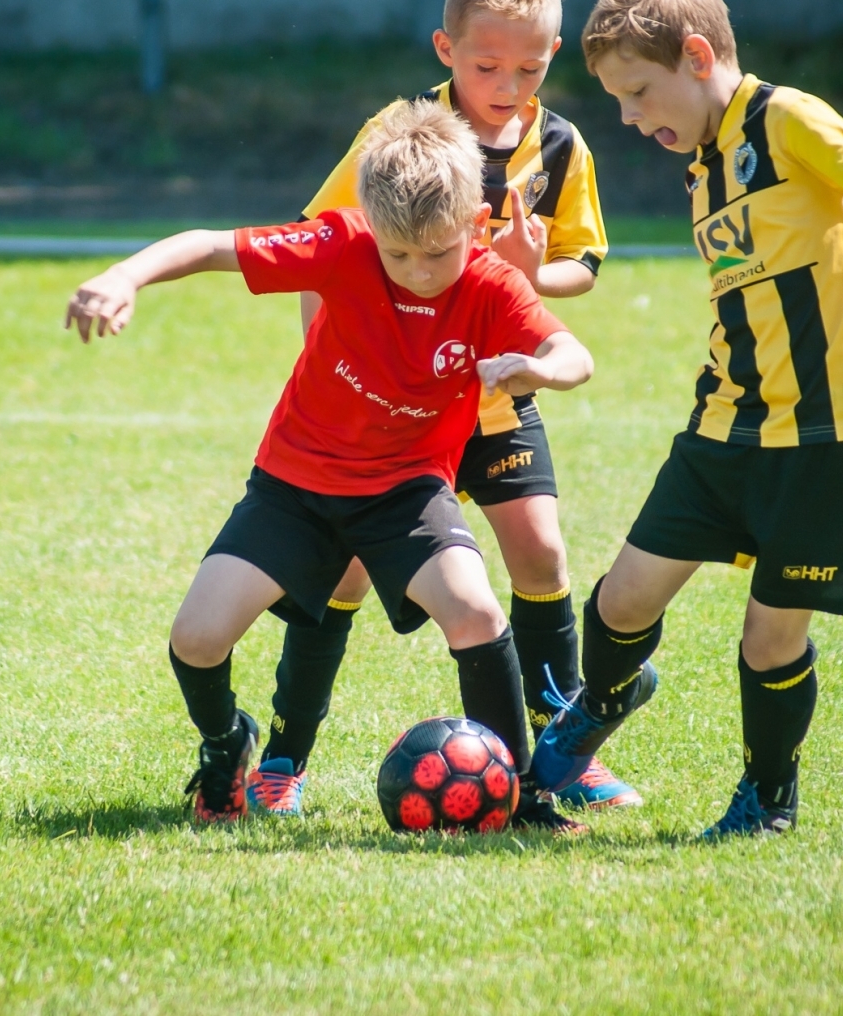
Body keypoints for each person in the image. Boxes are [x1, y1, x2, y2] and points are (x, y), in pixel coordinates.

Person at [66, 100, 595, 831]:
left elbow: (574, 353)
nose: (417, 272)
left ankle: (521, 796)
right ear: (371, 225)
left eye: (437, 253)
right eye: (397, 254)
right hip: (295, 486)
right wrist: (126, 276)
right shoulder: (342, 243)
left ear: (477, 224)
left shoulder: (491, 284)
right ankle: (226, 747)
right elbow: (209, 245)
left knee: (476, 611)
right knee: (196, 637)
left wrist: (541, 370)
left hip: (406, 491)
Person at [528, 0, 843, 837]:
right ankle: (602, 702)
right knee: (620, 602)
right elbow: (804, 269)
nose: (629, 117)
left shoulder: (788, 119)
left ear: (695, 56)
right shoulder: (704, 167)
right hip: (727, 421)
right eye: (617, 102)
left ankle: (767, 796)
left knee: (769, 637)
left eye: (637, 93)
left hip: (833, 434)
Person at [251, 0, 642, 818]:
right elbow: (323, 245)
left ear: (554, 55)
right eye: (487, 65)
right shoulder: (399, 137)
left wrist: (532, 275)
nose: (508, 83)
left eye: (530, 67)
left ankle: (560, 753)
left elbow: (582, 264)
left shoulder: (560, 146)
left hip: (494, 398)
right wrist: (327, 358)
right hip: (393, 416)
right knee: (346, 575)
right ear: (446, 49)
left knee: (540, 550)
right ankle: (284, 754)